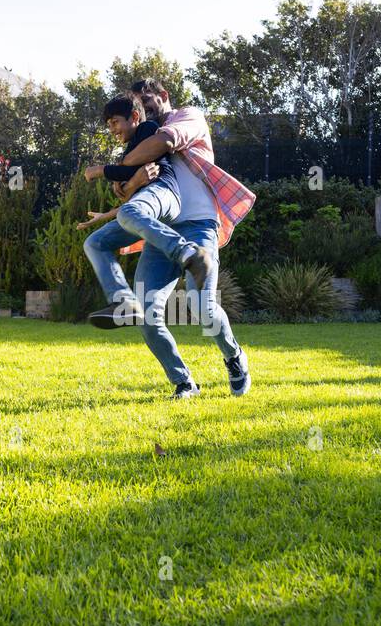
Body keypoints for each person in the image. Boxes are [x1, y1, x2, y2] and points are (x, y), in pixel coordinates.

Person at [101, 78, 256, 399]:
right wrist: (126, 180)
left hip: (199, 225)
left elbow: (166, 143)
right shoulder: (140, 141)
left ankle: (234, 357)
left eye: (148, 100)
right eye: (138, 104)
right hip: (163, 230)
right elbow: (129, 188)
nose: (143, 108)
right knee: (145, 312)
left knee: (202, 305)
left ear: (164, 96)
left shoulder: (187, 117)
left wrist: (113, 167)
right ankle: (184, 382)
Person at [78, 93, 204, 329]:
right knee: (94, 243)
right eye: (109, 126)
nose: (112, 130)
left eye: (115, 122)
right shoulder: (127, 152)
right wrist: (125, 183)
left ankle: (188, 253)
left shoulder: (147, 128)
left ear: (134, 116)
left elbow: (134, 171)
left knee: (129, 213)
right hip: (144, 203)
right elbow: (127, 183)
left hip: (164, 191)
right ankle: (124, 303)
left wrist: (101, 171)